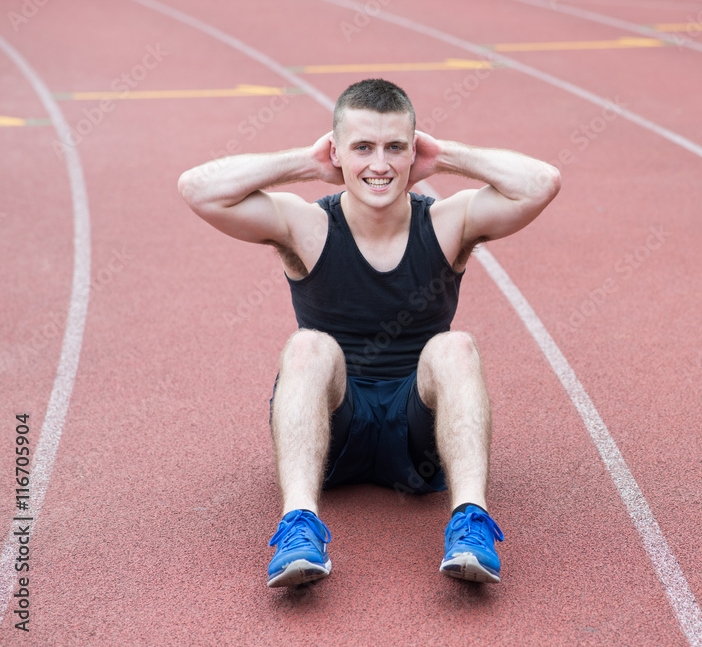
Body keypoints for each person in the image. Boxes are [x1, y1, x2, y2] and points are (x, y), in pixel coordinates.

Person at [177, 78, 561, 587]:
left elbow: (542, 182)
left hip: (420, 440)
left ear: (413, 151)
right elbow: (196, 189)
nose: (379, 165)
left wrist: (445, 156)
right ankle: (299, 525)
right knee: (307, 346)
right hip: (333, 432)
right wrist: (306, 163)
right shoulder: (307, 227)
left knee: (456, 346)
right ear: (336, 152)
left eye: (394, 148)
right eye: (362, 148)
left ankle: (470, 522)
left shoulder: (447, 223)